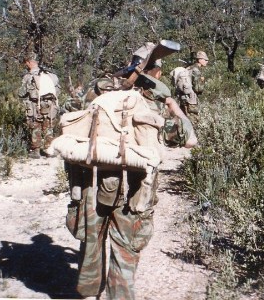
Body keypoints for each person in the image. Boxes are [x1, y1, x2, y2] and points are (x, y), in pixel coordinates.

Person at [59, 43, 197, 299]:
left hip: (92, 179)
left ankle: (89, 290)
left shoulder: (97, 90)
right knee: (125, 248)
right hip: (134, 188)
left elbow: (72, 115)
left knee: (91, 241)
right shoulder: (152, 100)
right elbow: (189, 139)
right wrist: (173, 106)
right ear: (155, 72)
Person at [17, 52, 61, 158]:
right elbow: (58, 90)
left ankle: (36, 151)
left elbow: (21, 93)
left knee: (35, 126)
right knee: (48, 126)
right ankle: (49, 150)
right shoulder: (51, 75)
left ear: (29, 62)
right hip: (50, 104)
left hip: (35, 104)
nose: (26, 65)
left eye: (27, 63)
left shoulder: (28, 76)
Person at [177, 50, 208, 122]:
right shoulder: (196, 71)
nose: (207, 61)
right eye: (205, 60)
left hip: (183, 98)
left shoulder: (188, 68)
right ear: (200, 60)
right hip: (191, 100)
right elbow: (198, 89)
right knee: (193, 121)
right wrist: (202, 82)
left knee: (183, 120)